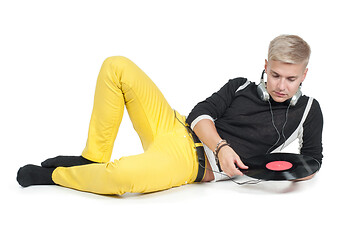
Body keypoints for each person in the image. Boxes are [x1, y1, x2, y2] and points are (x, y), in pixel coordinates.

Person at [16, 34, 323, 195]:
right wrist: (222, 146)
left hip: (190, 164)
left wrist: (284, 174)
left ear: (304, 75)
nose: (281, 86)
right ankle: (93, 158)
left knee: (122, 177)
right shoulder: (240, 85)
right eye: (275, 75)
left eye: (291, 79)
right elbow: (200, 113)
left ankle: (56, 178)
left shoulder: (309, 110)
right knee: (116, 65)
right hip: (174, 127)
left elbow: (312, 160)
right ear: (266, 66)